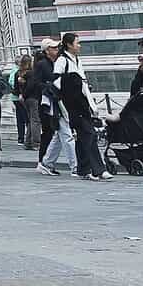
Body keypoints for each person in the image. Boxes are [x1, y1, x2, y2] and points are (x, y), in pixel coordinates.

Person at [55, 32, 111, 181]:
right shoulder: (62, 61)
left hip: (83, 102)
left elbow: (84, 84)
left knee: (82, 137)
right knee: (89, 134)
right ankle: (99, 169)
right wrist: (72, 85)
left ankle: (82, 169)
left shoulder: (77, 60)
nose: (79, 46)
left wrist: (92, 104)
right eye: (77, 43)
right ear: (69, 44)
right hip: (73, 104)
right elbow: (55, 82)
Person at [34, 37, 77, 177]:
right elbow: (35, 84)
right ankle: (74, 166)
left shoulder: (59, 62)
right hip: (48, 104)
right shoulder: (42, 64)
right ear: (47, 51)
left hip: (60, 101)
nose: (57, 49)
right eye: (53, 48)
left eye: (57, 47)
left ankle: (46, 163)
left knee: (57, 134)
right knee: (55, 133)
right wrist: (50, 87)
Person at [10, 56, 31, 145]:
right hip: (19, 97)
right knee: (25, 118)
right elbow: (12, 83)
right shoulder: (17, 71)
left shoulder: (15, 71)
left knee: (20, 118)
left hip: (16, 97)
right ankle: (26, 138)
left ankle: (21, 138)